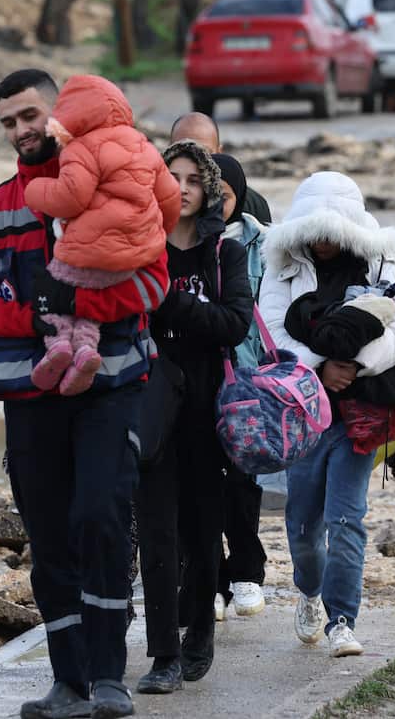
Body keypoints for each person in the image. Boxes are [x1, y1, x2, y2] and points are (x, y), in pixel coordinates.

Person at [0, 69, 171, 719]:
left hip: (111, 388)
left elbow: (155, 283)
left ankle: (108, 677)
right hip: (29, 396)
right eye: (8, 122)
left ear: (61, 116)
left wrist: (81, 304)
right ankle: (68, 683)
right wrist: (35, 317)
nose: (20, 130)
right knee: (48, 539)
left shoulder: (120, 185)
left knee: (100, 516)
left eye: (29, 116)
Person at [258, 171, 395, 657]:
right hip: (304, 411)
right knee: (304, 525)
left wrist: (355, 365)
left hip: (362, 410)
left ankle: (342, 620)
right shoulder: (283, 267)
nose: (323, 241)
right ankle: (309, 591)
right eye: (315, 231)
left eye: (332, 231)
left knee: (347, 517)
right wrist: (320, 367)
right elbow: (271, 329)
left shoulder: (382, 262)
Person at [134, 141, 252, 695]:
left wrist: (168, 301)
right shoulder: (142, 248)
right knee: (157, 531)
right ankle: (164, 653)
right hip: (150, 404)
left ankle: (200, 628)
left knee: (204, 529)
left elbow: (234, 324)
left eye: (192, 179)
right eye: (170, 176)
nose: (180, 188)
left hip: (208, 408)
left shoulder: (224, 253)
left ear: (208, 189)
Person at [25, 75, 180, 395]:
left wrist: (35, 189)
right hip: (129, 265)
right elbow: (170, 198)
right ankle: (85, 350)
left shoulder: (80, 149)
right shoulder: (144, 145)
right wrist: (154, 235)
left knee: (53, 291)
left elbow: (70, 198)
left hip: (88, 256)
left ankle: (59, 344)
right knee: (90, 308)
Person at [209, 152, 269, 622]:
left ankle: (247, 572)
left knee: (243, 480)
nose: (214, 203)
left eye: (224, 195)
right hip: (194, 375)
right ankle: (209, 580)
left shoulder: (263, 245)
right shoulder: (175, 239)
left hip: (247, 379)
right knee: (198, 481)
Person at [170, 112, 273, 223]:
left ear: (219, 152)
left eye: (204, 153)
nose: (194, 161)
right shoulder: (159, 199)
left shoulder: (252, 204)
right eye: (184, 152)